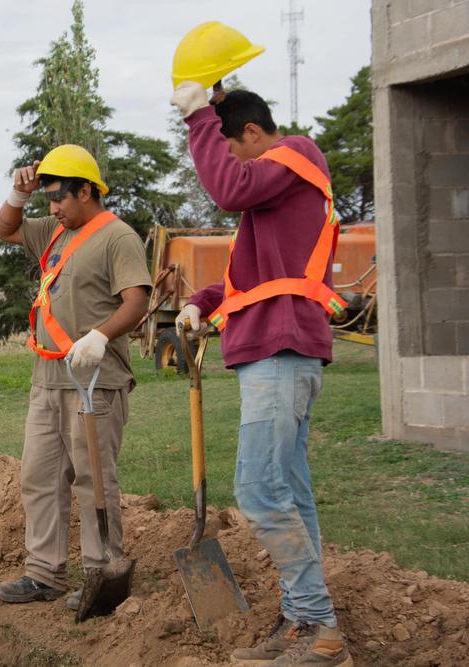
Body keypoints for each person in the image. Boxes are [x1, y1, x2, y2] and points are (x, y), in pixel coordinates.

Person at [170, 82, 352, 667]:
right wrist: (202, 299)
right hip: (278, 351)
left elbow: (227, 187)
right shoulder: (277, 202)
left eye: (230, 146)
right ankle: (304, 621)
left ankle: (321, 630)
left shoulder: (296, 154)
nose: (229, 164)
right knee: (290, 492)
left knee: (259, 491)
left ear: (252, 133)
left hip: (280, 353)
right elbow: (255, 277)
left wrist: (199, 115)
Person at [0, 144, 151, 610]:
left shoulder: (117, 237)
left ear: (87, 190)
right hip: (48, 381)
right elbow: (4, 230)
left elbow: (136, 301)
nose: (54, 208)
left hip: (96, 382)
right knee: (38, 477)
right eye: (48, 201)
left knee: (93, 479)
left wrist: (100, 336)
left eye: (60, 197)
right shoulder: (55, 232)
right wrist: (18, 195)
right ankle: (45, 574)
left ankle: (103, 574)